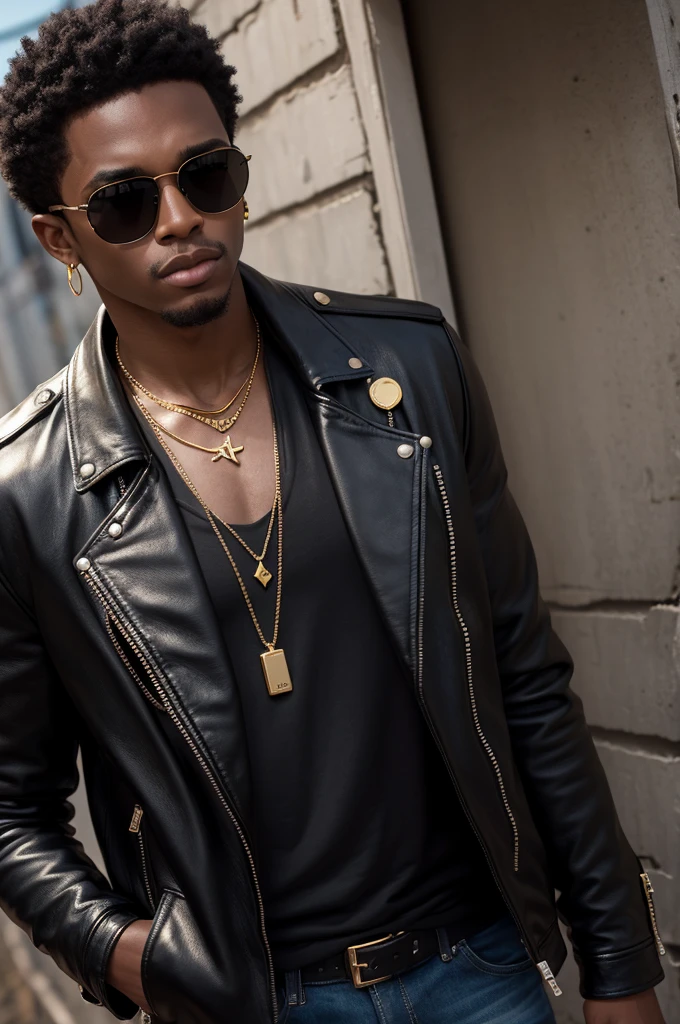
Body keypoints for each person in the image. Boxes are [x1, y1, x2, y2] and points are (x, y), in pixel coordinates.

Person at [0, 1, 666, 1022]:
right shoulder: (29, 495)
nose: (180, 219)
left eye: (206, 176)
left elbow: (523, 674)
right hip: (254, 1001)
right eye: (125, 203)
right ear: (58, 238)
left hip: (477, 968)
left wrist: (619, 960)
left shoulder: (407, 368)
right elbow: (10, 808)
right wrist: (130, 953)